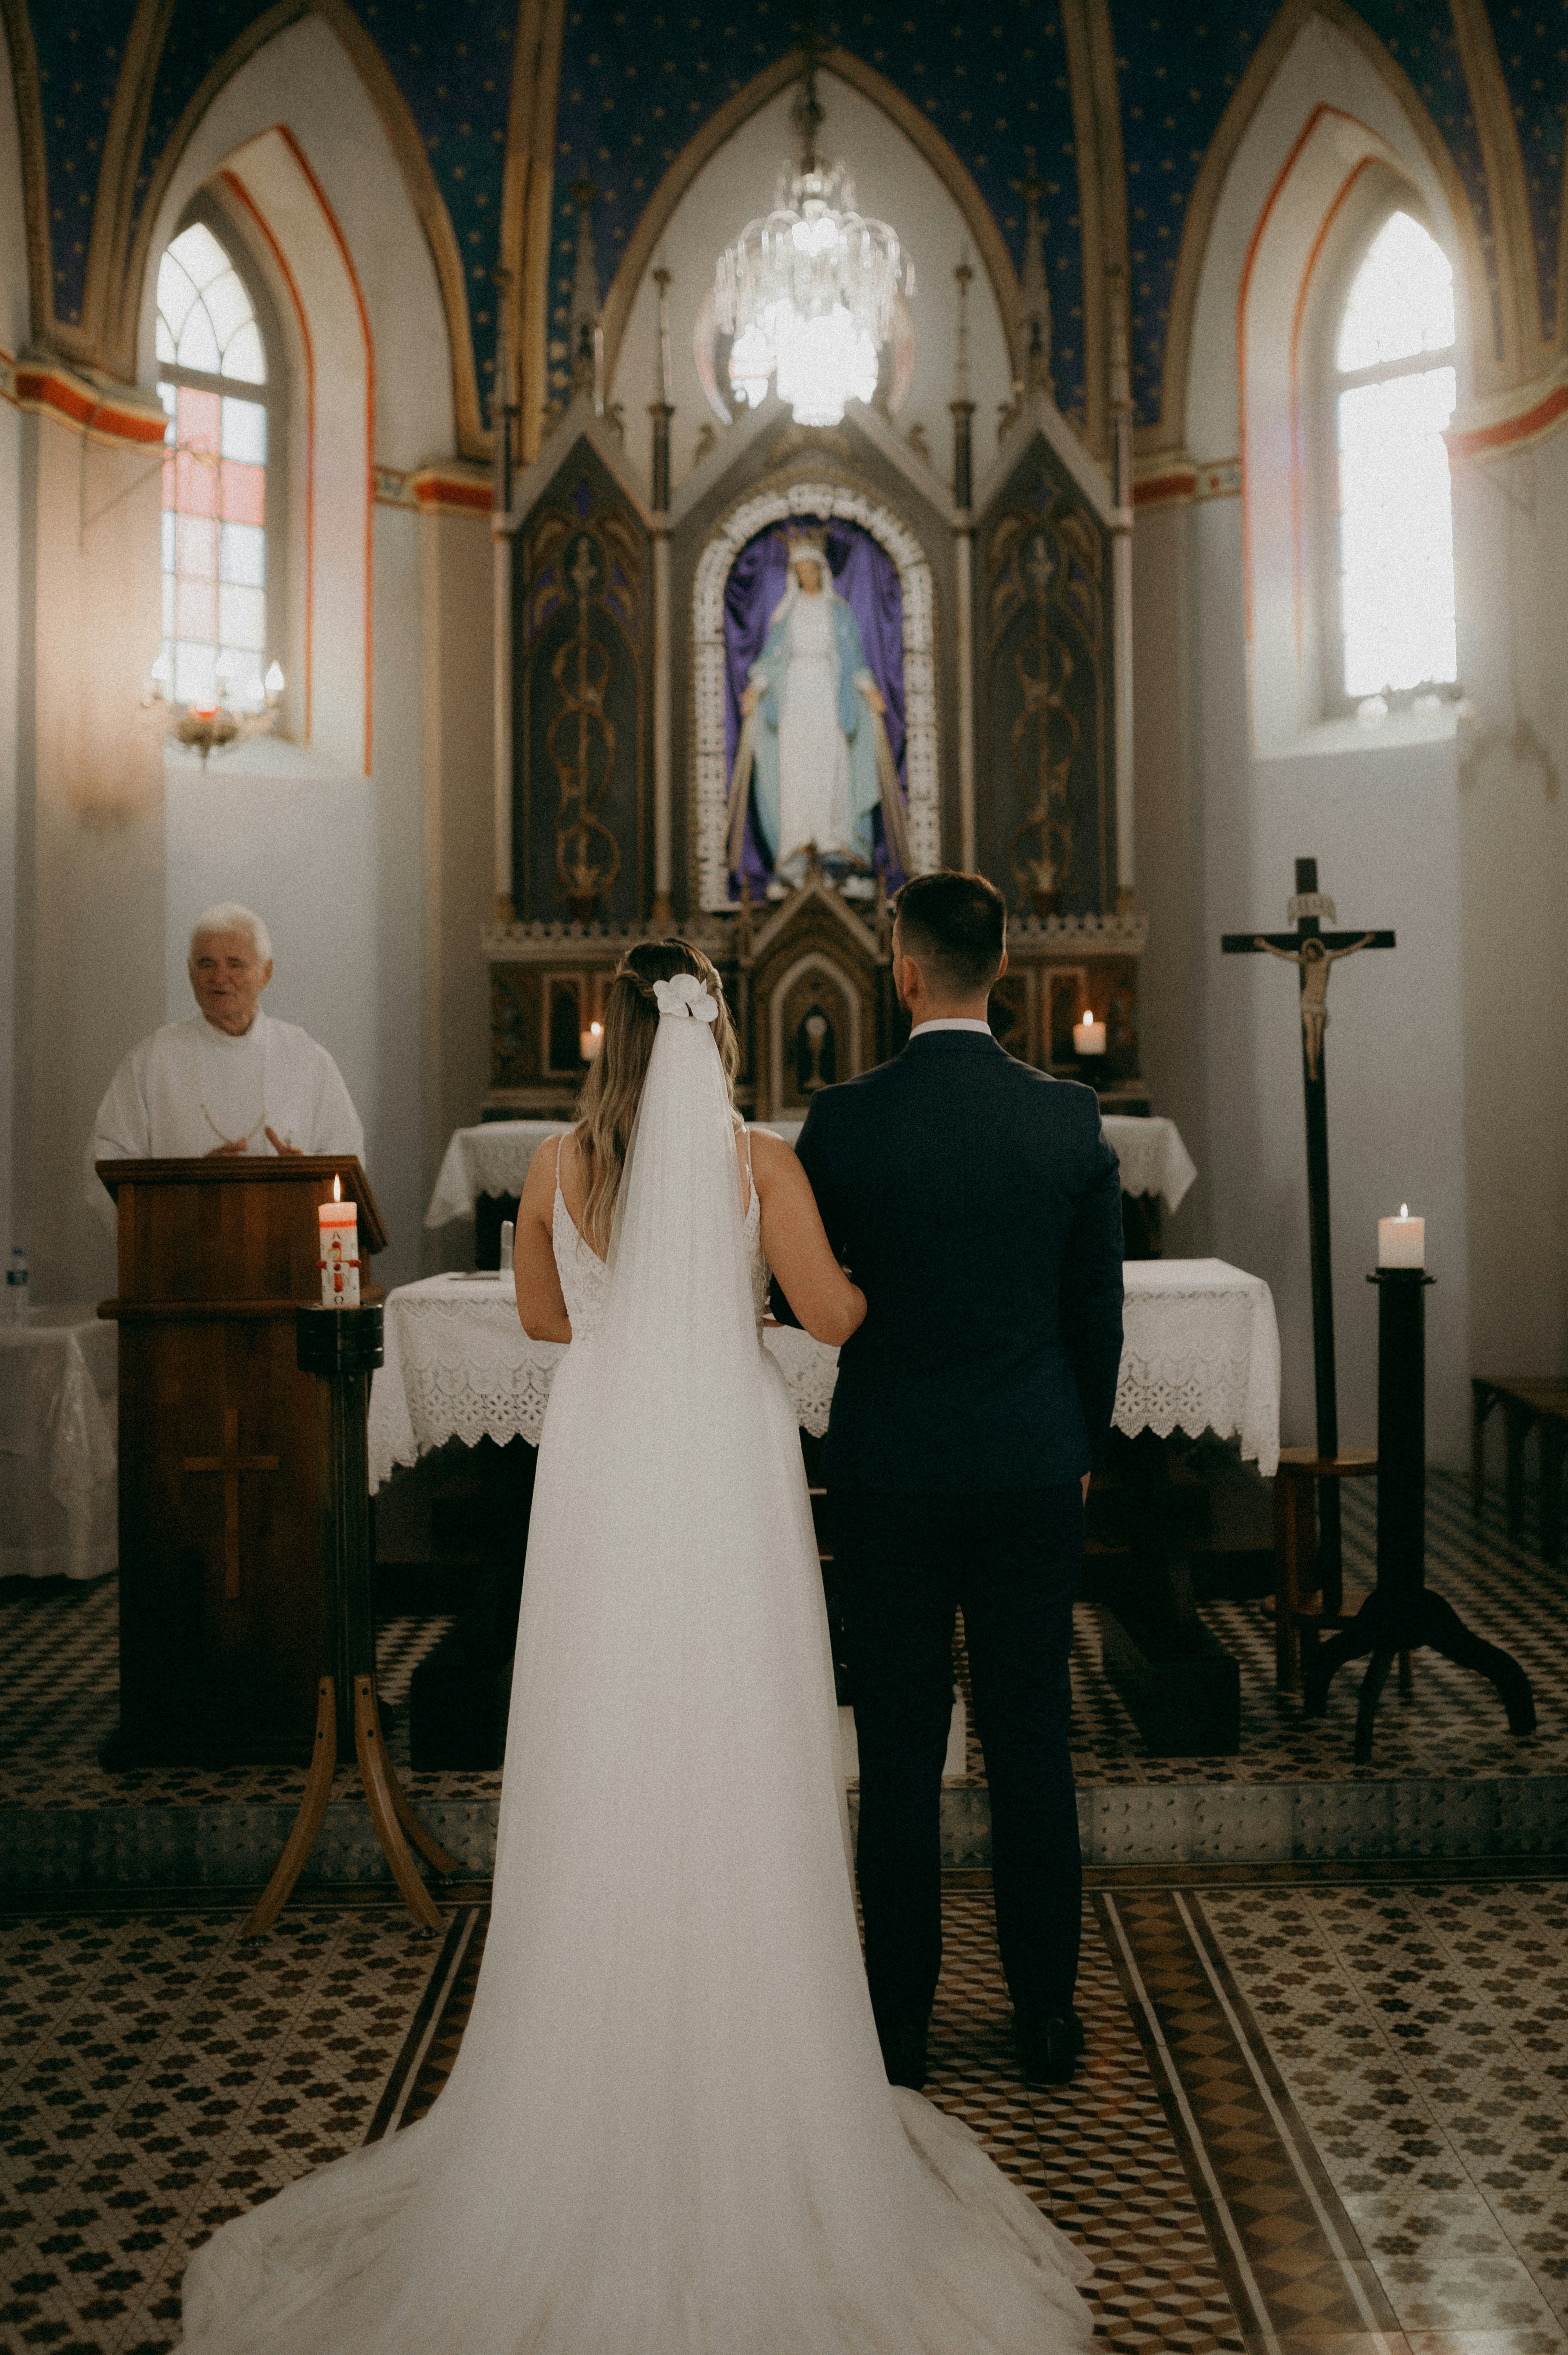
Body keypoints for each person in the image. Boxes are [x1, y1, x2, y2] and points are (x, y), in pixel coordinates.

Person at [178, 938, 1093, 2353]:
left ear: (606, 1036)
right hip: (724, 1462)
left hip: (606, 1464)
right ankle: (752, 2043)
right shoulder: (759, 1167)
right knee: (739, 1735)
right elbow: (838, 1314)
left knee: (606, 1731)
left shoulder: (551, 1167)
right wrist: (806, 1294)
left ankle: (591, 2048)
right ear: (717, 1032)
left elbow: (545, 1318)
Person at [785, 872, 1124, 2092]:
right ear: (1001, 970)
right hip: (1033, 1467)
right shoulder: (1068, 1120)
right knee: (1034, 1740)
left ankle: (899, 2026)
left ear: (905, 967)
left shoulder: (845, 1122)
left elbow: (803, 1295)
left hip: (891, 1475)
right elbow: (1098, 1319)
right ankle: (1044, 2016)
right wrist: (1075, 1449)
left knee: (899, 1744)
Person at [90, 905, 362, 1217]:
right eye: (206, 964)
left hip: (287, 1245)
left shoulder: (306, 1059)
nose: (220, 978)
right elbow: (108, 1164)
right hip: (182, 1248)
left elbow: (348, 1164)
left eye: (235, 964)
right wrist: (191, 1185)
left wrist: (309, 1175)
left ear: (266, 973)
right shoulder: (153, 1060)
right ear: (191, 973)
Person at [740, 534, 886, 881]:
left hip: (829, 694)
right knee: (795, 767)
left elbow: (853, 660)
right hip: (794, 697)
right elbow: (772, 659)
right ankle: (797, 844)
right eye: (801, 570)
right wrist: (755, 689)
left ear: (822, 572)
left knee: (832, 763)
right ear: (795, 575)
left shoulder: (839, 613)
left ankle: (833, 842)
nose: (808, 576)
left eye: (813, 569)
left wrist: (870, 691)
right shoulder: (786, 615)